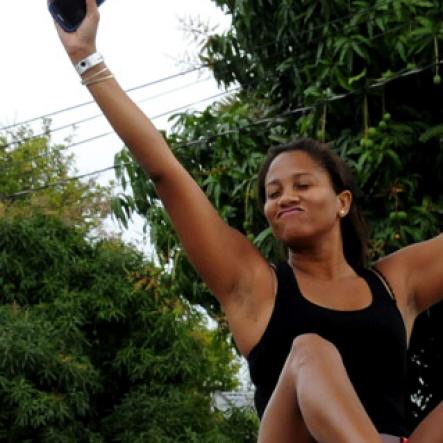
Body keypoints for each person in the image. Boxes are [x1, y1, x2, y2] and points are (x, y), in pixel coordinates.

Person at [50, 1, 443, 441]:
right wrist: (85, 58)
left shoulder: (396, 286)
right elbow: (166, 173)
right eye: (273, 194)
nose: (285, 198)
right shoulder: (255, 288)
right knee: (310, 351)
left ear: (343, 202)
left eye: (302, 185)